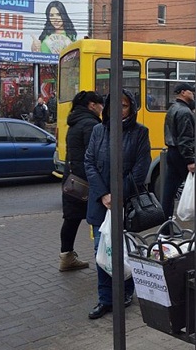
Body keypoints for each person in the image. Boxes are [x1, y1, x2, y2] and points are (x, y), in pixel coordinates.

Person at [84, 89, 151, 319]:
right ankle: (105, 299)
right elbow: (89, 162)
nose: (118, 110)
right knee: (101, 251)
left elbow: (140, 169)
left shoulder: (140, 132)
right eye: (114, 105)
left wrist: (118, 194)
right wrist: (104, 194)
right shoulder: (98, 131)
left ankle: (126, 292)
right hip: (101, 203)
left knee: (124, 250)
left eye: (123, 105)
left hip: (126, 203)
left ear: (131, 107)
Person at [162, 82, 196, 235]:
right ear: (183, 92)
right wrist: (190, 160)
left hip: (172, 152)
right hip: (183, 155)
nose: (193, 94)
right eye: (191, 91)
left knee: (169, 193)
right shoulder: (185, 112)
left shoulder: (173, 108)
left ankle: (165, 228)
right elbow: (185, 139)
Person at [59, 91, 104, 272]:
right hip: (87, 180)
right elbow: (94, 155)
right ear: (92, 105)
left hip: (72, 180)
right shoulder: (91, 124)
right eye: (100, 104)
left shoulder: (75, 122)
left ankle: (66, 257)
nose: (102, 108)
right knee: (99, 219)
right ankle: (104, 259)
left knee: (71, 219)